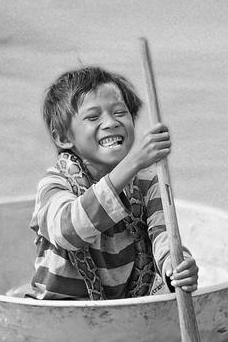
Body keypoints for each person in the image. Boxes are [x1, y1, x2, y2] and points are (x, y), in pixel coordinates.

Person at [28, 66, 199, 300]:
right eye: (93, 117)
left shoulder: (147, 182)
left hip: (124, 309)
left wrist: (176, 265)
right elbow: (68, 232)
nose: (111, 122)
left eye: (120, 112)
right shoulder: (54, 183)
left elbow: (163, 235)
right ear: (63, 137)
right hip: (59, 310)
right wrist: (133, 162)